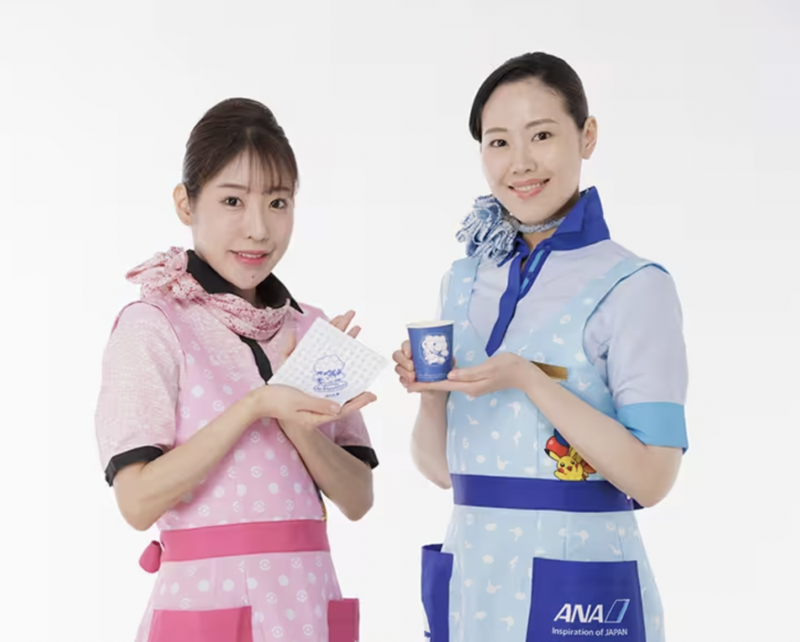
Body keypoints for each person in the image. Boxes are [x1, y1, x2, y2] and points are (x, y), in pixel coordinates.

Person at [393, 52, 688, 642]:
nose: (519, 163)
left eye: (543, 135)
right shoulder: (464, 279)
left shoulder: (635, 285)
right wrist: (431, 395)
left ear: (588, 136)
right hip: (474, 577)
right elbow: (443, 472)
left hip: (579, 586)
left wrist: (530, 379)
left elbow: (653, 479)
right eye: (498, 142)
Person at [94, 97, 377, 642]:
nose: (258, 229)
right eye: (232, 200)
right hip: (207, 607)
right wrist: (258, 404)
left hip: (310, 607)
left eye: (278, 202)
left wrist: (297, 425)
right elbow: (137, 501)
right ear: (185, 203)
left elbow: (358, 499)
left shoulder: (313, 328)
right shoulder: (152, 324)